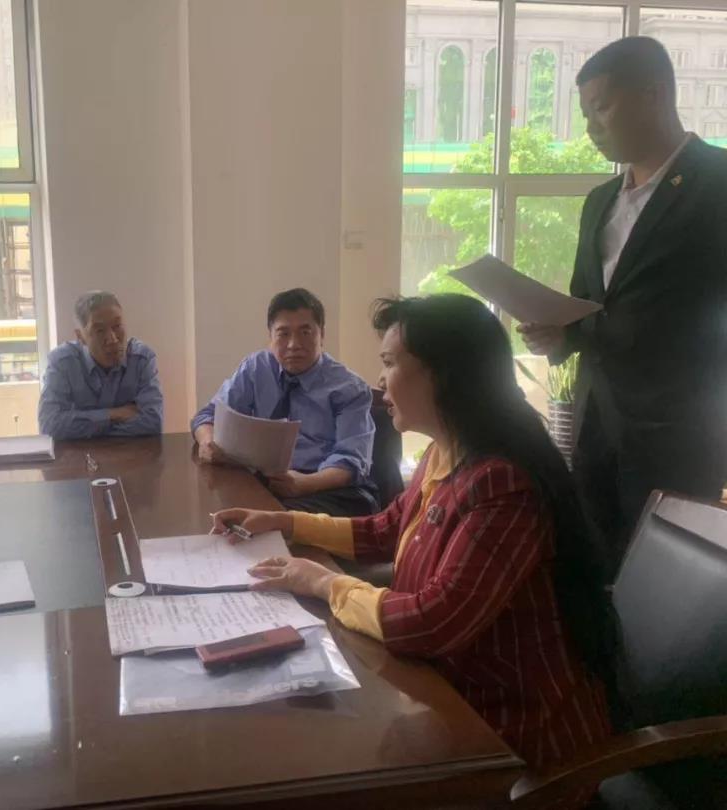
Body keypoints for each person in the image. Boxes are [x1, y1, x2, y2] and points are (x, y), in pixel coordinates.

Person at [213, 296, 614, 795]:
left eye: (389, 363)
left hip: (521, 748)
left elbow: (433, 622)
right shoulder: (445, 455)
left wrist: (325, 583)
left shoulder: (503, 484)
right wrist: (284, 522)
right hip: (450, 698)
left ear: (444, 375)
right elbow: (385, 530)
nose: (380, 381)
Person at [519, 36, 727, 577]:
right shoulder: (599, 202)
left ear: (653, 95)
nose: (591, 126)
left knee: (664, 583)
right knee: (593, 568)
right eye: (586, 113)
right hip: (598, 423)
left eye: (602, 107)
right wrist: (558, 334)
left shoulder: (717, 184)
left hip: (679, 432)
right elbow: (589, 307)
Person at [191, 288, 377, 517]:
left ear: (322, 334)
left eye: (305, 332)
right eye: (283, 334)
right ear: (270, 337)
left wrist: (305, 484)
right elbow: (207, 416)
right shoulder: (255, 369)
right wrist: (207, 441)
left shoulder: (349, 388)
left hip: (326, 489)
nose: (293, 344)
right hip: (265, 484)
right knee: (213, 510)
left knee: (261, 522)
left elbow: (352, 462)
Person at [38, 291, 163, 440]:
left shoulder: (141, 359)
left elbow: (153, 422)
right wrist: (112, 414)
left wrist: (84, 426)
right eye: (99, 331)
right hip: (79, 454)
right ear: (80, 337)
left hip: (131, 453)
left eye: (117, 326)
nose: (112, 339)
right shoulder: (62, 363)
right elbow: (49, 425)